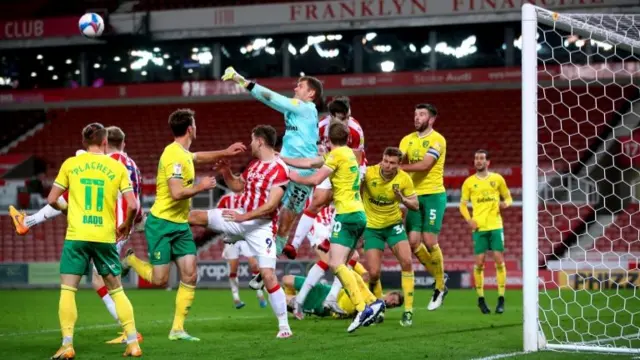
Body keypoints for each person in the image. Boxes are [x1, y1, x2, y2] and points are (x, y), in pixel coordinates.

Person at [9, 127, 145, 345]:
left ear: (104, 143)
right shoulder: (131, 165)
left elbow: (60, 194)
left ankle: (127, 334)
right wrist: (133, 222)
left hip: (106, 225)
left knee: (90, 286)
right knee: (103, 283)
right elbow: (135, 200)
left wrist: (80, 158)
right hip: (118, 225)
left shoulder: (110, 161)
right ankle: (130, 336)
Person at [121, 109, 245, 342]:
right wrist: (201, 186)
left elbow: (198, 157)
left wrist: (225, 152)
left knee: (190, 275)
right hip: (161, 224)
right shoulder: (173, 156)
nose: (196, 127)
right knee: (159, 280)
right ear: (190, 128)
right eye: (195, 124)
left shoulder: (184, 153)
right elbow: (176, 192)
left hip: (179, 225)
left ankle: (177, 329)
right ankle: (131, 260)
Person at [188, 125, 293, 338]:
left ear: (261, 141)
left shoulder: (280, 169)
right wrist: (226, 172)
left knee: (268, 275)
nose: (251, 143)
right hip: (239, 215)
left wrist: (243, 217)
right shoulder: (254, 165)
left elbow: (272, 206)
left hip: (261, 226)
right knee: (194, 216)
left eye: (253, 140)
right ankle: (150, 223)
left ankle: (284, 327)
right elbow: (237, 186)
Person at [47, 123, 141, 358]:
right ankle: (133, 343)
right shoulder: (115, 166)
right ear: (105, 142)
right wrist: (127, 225)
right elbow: (133, 204)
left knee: (68, 290)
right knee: (117, 290)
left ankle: (67, 345)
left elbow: (51, 199)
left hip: (77, 236)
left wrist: (67, 209)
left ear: (83, 142)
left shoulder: (71, 164)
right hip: (104, 236)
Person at [282, 121, 384, 333]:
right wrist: (283, 159)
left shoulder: (335, 156)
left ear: (327, 140)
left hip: (345, 215)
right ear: (347, 139)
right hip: (359, 214)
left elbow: (316, 178)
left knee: (336, 264)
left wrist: (292, 175)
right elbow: (313, 162)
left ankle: (364, 307)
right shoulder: (349, 154)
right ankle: (368, 303)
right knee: (344, 264)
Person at [221, 66, 323, 255]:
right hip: (284, 168)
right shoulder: (294, 111)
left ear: (311, 92)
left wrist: (242, 80)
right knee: (262, 202)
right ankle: (243, 231)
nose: (295, 89)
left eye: (300, 86)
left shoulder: (307, 108)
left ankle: (268, 264)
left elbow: (273, 98)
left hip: (303, 174)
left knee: (285, 223)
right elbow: (274, 102)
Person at [284, 97, 366, 260]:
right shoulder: (321, 126)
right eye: (341, 118)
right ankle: (294, 244)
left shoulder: (355, 129)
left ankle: (330, 238)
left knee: (343, 201)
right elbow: (317, 154)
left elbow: (356, 160)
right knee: (317, 201)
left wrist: (341, 182)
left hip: (352, 166)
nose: (345, 121)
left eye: (347, 116)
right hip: (331, 161)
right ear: (332, 116)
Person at [362, 146, 418, 327]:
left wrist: (402, 199)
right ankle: (378, 310)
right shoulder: (369, 173)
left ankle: (408, 311)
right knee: (373, 273)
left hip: (393, 225)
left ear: (398, 165)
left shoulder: (404, 179)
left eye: (392, 163)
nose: (387, 165)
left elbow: (415, 205)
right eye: (385, 160)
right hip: (372, 228)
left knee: (407, 262)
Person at [399, 103, 448, 311]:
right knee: (412, 242)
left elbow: (425, 165)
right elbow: (398, 160)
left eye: (422, 115)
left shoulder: (437, 140)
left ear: (432, 119)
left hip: (434, 195)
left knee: (429, 240)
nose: (417, 117)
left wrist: (400, 167)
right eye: (415, 114)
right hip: (414, 197)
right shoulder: (407, 140)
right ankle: (441, 279)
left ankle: (439, 286)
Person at [459, 150, 512, 314]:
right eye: (476, 158)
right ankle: (481, 299)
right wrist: (469, 220)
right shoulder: (468, 182)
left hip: (496, 226)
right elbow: (462, 205)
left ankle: (501, 298)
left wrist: (506, 205)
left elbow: (508, 198)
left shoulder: (497, 179)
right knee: (480, 262)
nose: (478, 161)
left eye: (482, 158)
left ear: (488, 162)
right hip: (479, 228)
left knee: (498, 259)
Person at [216, 192, 267, 309]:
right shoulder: (226, 198)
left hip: (246, 236)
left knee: (254, 265)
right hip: (231, 237)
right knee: (233, 268)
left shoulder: (250, 194)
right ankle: (236, 298)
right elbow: (217, 215)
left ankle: (259, 294)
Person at [282, 273, 403, 319]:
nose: (391, 303)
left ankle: (295, 306)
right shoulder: (375, 289)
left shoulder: (377, 311)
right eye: (393, 299)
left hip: (322, 305)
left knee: (282, 299)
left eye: (394, 304)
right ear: (389, 293)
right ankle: (296, 310)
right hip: (326, 290)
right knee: (286, 279)